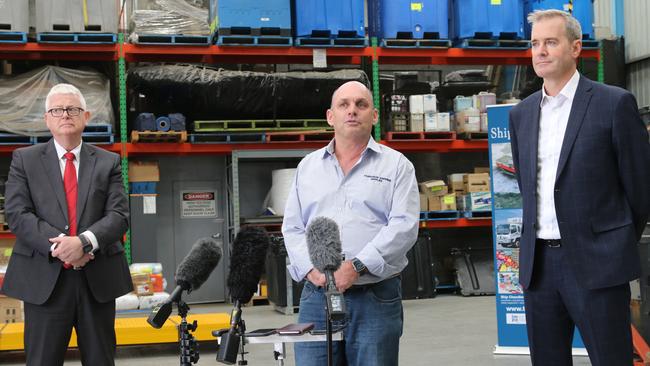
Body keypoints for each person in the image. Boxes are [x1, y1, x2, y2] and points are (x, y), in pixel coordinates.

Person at [509, 10, 650, 365]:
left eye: (550, 42)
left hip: (597, 263)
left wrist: (611, 242)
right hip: (538, 268)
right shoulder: (522, 115)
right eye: (535, 43)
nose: (540, 51)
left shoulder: (612, 103)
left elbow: (640, 188)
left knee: (611, 359)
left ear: (576, 47)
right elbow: (530, 188)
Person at [282, 80, 420, 365]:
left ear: (375, 115)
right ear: (330, 116)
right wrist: (311, 270)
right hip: (316, 296)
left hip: (375, 297)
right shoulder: (307, 167)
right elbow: (293, 227)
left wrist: (356, 266)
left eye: (361, 104)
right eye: (343, 104)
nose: (352, 111)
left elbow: (404, 226)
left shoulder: (396, 166)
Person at [1, 83, 132, 366]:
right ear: (47, 119)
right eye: (57, 110)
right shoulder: (25, 160)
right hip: (44, 281)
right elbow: (17, 213)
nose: (65, 115)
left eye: (72, 109)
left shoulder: (108, 162)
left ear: (85, 117)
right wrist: (63, 247)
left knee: (100, 360)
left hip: (97, 280)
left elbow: (119, 215)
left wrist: (83, 242)